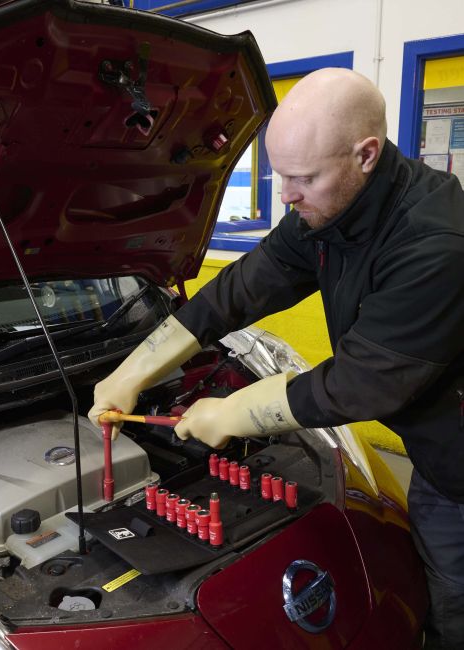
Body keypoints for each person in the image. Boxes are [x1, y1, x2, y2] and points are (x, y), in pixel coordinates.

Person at [88, 68, 464, 649]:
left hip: (457, 465)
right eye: (279, 175)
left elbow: (362, 383)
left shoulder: (434, 242)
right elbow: (237, 290)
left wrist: (232, 413)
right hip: (435, 448)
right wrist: (131, 372)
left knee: (453, 602)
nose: (286, 195)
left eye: (303, 178)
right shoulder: (330, 209)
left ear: (366, 155)